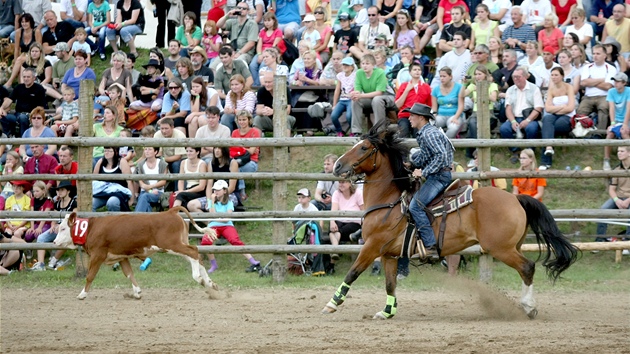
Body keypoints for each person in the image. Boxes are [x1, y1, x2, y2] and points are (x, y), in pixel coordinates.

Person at [406, 103, 454, 257]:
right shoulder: (425, 132)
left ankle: (430, 245)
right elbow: (427, 155)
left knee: (415, 206)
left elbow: (441, 156)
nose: (409, 118)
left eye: (412, 115)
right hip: (438, 174)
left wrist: (423, 172)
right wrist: (413, 163)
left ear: (421, 117)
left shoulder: (429, 134)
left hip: (439, 176)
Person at [200, 180, 263, 273]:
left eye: (218, 190)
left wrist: (216, 218)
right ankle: (213, 264)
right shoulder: (211, 201)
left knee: (235, 240)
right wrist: (212, 202)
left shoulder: (229, 202)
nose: (215, 192)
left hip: (227, 226)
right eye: (214, 190)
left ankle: (252, 260)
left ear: (224, 191)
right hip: (213, 226)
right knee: (205, 243)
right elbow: (212, 214)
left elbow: (227, 218)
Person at [500, 66, 544, 163]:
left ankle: (529, 153)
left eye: (518, 77)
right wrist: (512, 121)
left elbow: (538, 108)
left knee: (531, 128)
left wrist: (528, 120)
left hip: (531, 118)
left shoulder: (534, 89)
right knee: (504, 128)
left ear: (525, 77)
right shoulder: (510, 90)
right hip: (515, 117)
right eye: (514, 77)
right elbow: (508, 108)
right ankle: (516, 151)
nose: (515, 79)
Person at [30, 180, 77, 271]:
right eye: (58, 190)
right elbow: (54, 218)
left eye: (62, 190)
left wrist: (61, 226)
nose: (59, 192)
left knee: (67, 239)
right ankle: (41, 264)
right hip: (56, 228)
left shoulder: (74, 203)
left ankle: (53, 260)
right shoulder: (57, 203)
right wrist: (53, 225)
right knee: (41, 238)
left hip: (68, 229)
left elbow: (73, 219)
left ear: (68, 191)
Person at [540, 67, 576, 170]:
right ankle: (549, 148)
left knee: (548, 129)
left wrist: (554, 109)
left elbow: (570, 108)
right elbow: (547, 108)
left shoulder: (569, 87)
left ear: (562, 76)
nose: (554, 77)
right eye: (552, 75)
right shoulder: (551, 90)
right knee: (547, 120)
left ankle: (545, 162)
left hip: (568, 117)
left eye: (556, 75)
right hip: (555, 116)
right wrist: (561, 107)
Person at [350, 54, 393, 136]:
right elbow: (358, 90)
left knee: (377, 99)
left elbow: (379, 92)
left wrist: (361, 95)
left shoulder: (380, 72)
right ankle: (356, 131)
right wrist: (354, 94)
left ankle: (379, 131)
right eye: (363, 64)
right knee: (356, 100)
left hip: (387, 97)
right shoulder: (359, 73)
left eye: (367, 63)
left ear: (373, 65)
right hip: (371, 98)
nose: (364, 66)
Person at [187, 146, 239, 213]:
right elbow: (209, 185)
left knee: (220, 206)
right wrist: (209, 200)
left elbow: (232, 187)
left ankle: (221, 222)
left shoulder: (232, 163)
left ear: (225, 150)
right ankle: (210, 223)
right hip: (215, 194)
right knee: (191, 205)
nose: (217, 150)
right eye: (215, 148)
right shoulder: (211, 164)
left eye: (219, 148)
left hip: (230, 194)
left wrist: (219, 196)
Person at [577, 44, 618, 130]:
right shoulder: (587, 67)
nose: (595, 56)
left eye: (598, 54)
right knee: (581, 110)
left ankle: (599, 134)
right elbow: (584, 82)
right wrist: (602, 80)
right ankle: (581, 134)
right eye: (594, 53)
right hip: (588, 97)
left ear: (605, 56)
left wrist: (591, 81)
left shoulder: (611, 68)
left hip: (604, 96)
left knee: (603, 109)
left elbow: (608, 86)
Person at [327, 179, 364, 274]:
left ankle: (332, 262)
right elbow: (334, 209)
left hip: (354, 222)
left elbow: (364, 210)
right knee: (333, 230)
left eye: (343, 182)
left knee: (337, 232)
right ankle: (335, 252)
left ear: (350, 183)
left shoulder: (358, 193)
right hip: (340, 220)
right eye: (339, 182)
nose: (340, 184)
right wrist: (332, 221)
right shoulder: (336, 193)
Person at [464, 65, 499, 162]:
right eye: (475, 74)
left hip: (489, 114)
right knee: (472, 124)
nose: (477, 76)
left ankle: (473, 156)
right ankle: (477, 152)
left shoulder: (492, 85)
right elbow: (462, 94)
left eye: (479, 74)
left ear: (485, 75)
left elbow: (493, 98)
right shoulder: (473, 85)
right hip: (476, 113)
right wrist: (463, 84)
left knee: (472, 129)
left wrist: (481, 91)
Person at [596, 145, 630, 242]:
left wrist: (628, 200)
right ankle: (599, 240)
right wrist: (617, 200)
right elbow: (612, 189)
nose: (619, 153)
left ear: (629, 153)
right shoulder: (616, 169)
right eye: (618, 151)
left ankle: (627, 243)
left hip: (629, 198)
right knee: (603, 210)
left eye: (622, 151)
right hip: (619, 197)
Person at [395, 62, 432, 138]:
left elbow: (429, 105)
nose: (417, 71)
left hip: (420, 116)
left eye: (419, 69)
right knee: (403, 131)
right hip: (405, 115)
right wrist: (406, 90)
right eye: (415, 69)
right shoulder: (404, 86)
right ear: (410, 72)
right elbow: (397, 105)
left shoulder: (426, 87)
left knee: (418, 133)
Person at [230, 110, 260, 201]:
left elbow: (251, 151)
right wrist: (243, 148)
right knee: (235, 166)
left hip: (251, 161)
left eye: (244, 119)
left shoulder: (255, 132)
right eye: (240, 120)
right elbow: (232, 149)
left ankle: (241, 192)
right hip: (237, 159)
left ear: (249, 120)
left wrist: (239, 147)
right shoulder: (235, 132)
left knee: (236, 168)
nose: (242, 122)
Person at [92, 146, 134, 211]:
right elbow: (94, 179)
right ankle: (93, 220)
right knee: (91, 203)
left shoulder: (122, 162)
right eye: (105, 151)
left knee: (112, 202)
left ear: (116, 152)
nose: (107, 153)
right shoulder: (101, 162)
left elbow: (129, 181)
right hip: (103, 193)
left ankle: (115, 220)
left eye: (109, 151)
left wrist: (131, 199)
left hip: (118, 193)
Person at [253, 72, 295, 136]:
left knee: (286, 119)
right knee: (257, 119)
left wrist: (273, 111)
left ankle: (285, 144)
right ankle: (256, 145)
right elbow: (258, 110)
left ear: (275, 81)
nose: (267, 84)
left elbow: (287, 111)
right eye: (265, 82)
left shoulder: (284, 89)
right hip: (269, 119)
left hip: (285, 117)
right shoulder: (261, 91)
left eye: (269, 82)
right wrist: (263, 111)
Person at [603, 73, 630, 170]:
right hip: (617, 120)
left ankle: (628, 158)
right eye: (615, 81)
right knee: (610, 133)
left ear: (624, 83)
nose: (615, 83)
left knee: (624, 132)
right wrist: (612, 123)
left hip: (628, 119)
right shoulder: (611, 91)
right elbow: (611, 108)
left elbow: (628, 108)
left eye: (618, 81)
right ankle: (606, 160)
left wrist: (625, 124)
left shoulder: (629, 91)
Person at [432, 67, 466, 138]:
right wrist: (434, 116)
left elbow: (461, 106)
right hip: (441, 115)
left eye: (444, 76)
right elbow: (434, 108)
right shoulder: (436, 89)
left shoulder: (459, 87)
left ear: (450, 77)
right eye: (440, 76)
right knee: (430, 125)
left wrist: (456, 117)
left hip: (454, 115)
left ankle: (444, 144)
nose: (442, 78)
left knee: (453, 128)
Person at [134, 147, 168, 213]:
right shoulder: (140, 165)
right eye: (145, 149)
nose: (147, 151)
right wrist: (150, 190)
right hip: (145, 191)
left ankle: (136, 219)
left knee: (144, 197)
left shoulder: (162, 164)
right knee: (146, 203)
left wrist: (151, 187)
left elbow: (163, 181)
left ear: (155, 152)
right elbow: (141, 184)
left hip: (158, 192)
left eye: (149, 149)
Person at [154, 118, 186, 187]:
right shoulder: (157, 135)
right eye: (162, 128)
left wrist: (162, 159)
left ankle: (177, 189)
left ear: (172, 127)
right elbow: (158, 152)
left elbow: (178, 156)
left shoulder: (179, 135)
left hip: (179, 159)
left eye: (166, 128)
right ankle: (158, 187)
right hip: (164, 158)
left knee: (176, 165)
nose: (163, 131)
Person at [329, 57, 357, 137]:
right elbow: (337, 90)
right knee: (334, 115)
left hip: (351, 99)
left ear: (352, 67)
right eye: (344, 65)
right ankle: (339, 131)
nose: (345, 66)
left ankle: (353, 131)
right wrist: (334, 104)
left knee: (349, 116)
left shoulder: (355, 75)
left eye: (347, 65)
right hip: (342, 99)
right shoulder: (340, 76)